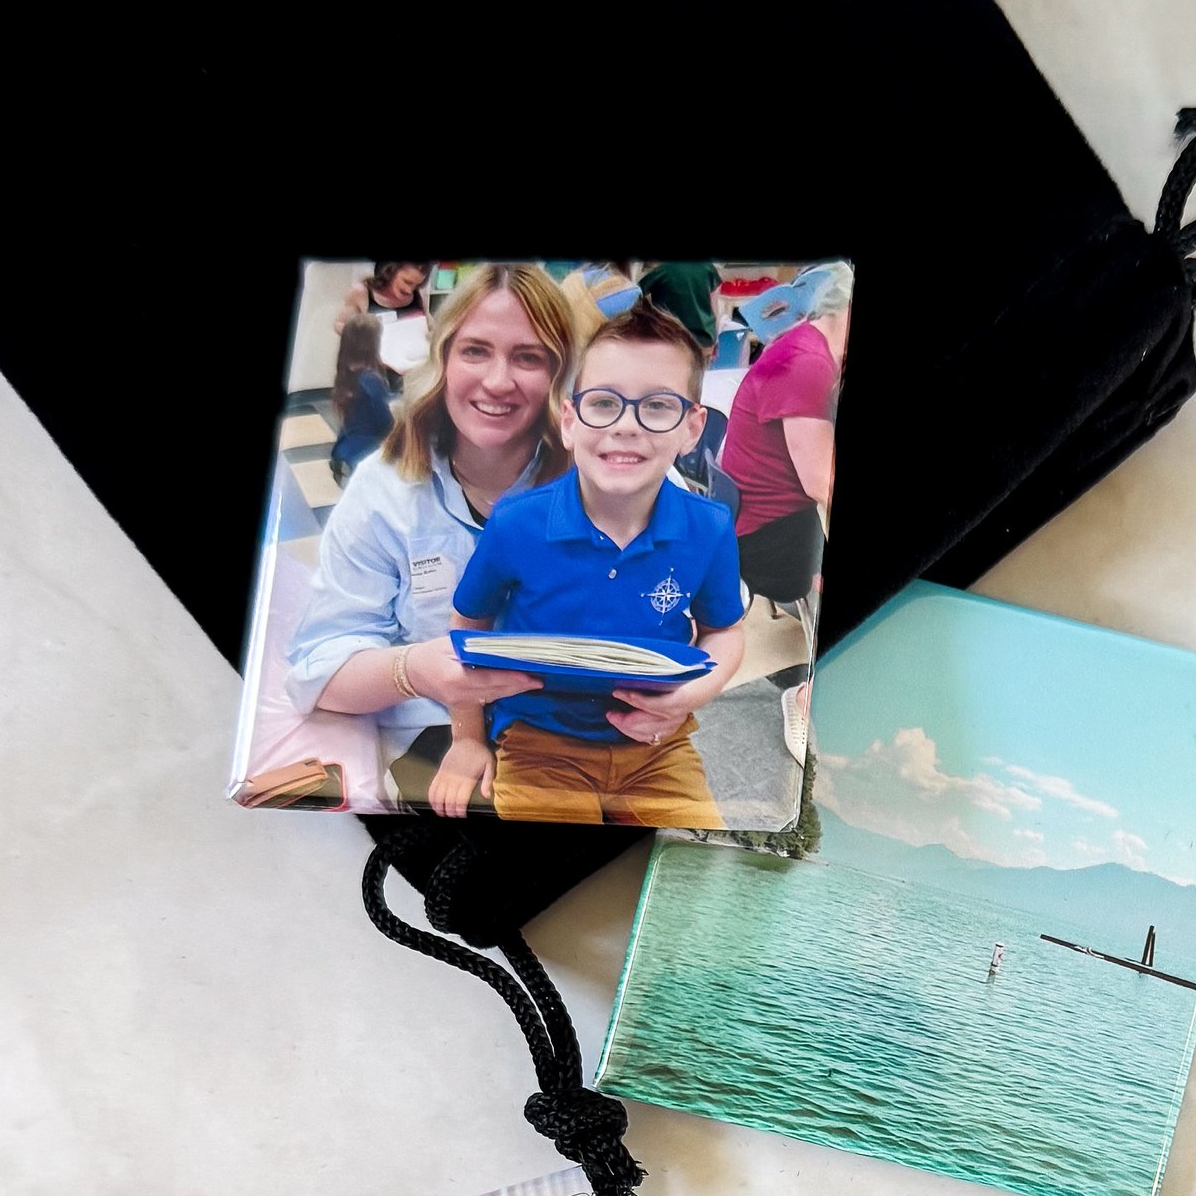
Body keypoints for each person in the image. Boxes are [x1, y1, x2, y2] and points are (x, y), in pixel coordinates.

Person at [442, 301, 746, 826]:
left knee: (700, 872)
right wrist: (467, 738)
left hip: (657, 742)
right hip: (539, 740)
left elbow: (725, 631)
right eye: (604, 404)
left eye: (657, 407)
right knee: (552, 883)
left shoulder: (710, 527)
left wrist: (692, 695)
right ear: (568, 420)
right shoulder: (517, 523)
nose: (626, 426)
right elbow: (468, 625)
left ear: (692, 429)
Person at [284, 261, 573, 806]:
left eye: (529, 357)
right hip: (430, 733)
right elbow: (316, 669)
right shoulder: (386, 491)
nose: (497, 381)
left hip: (578, 731)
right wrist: (412, 669)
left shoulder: (603, 476)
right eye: (475, 350)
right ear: (442, 357)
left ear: (561, 374)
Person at [718, 260, 850, 607]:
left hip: (755, 520)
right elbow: (820, 483)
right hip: (772, 545)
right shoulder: (807, 363)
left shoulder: (802, 339)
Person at [325, 314, 393, 482]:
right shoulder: (371, 380)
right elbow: (386, 424)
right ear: (371, 345)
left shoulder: (347, 373)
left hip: (345, 448)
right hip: (365, 455)